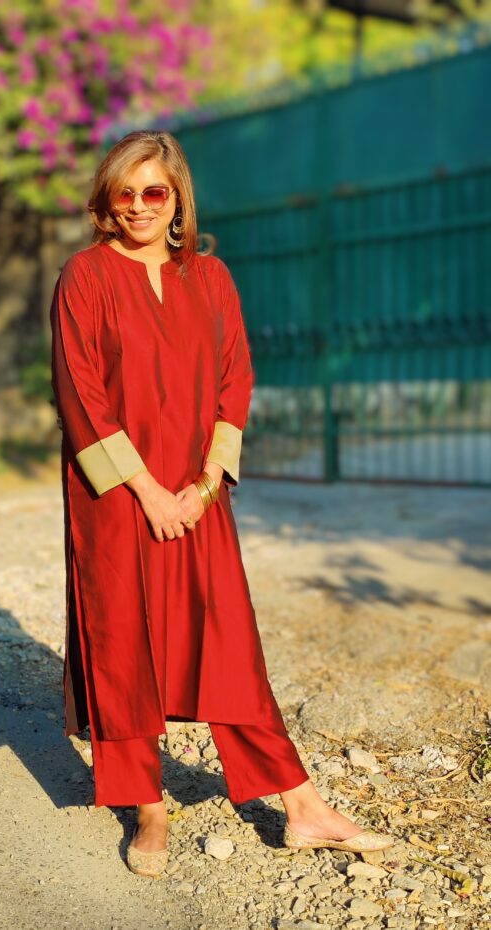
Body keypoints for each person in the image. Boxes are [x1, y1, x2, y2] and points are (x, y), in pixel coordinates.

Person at [49, 129, 395, 877]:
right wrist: (146, 492)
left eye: (155, 191)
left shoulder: (209, 276)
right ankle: (147, 808)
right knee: (123, 642)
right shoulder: (85, 276)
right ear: (107, 200)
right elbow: (81, 392)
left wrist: (205, 485)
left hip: (196, 493)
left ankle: (301, 805)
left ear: (178, 198)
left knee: (227, 641)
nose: (140, 206)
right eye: (125, 192)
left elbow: (236, 377)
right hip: (117, 497)